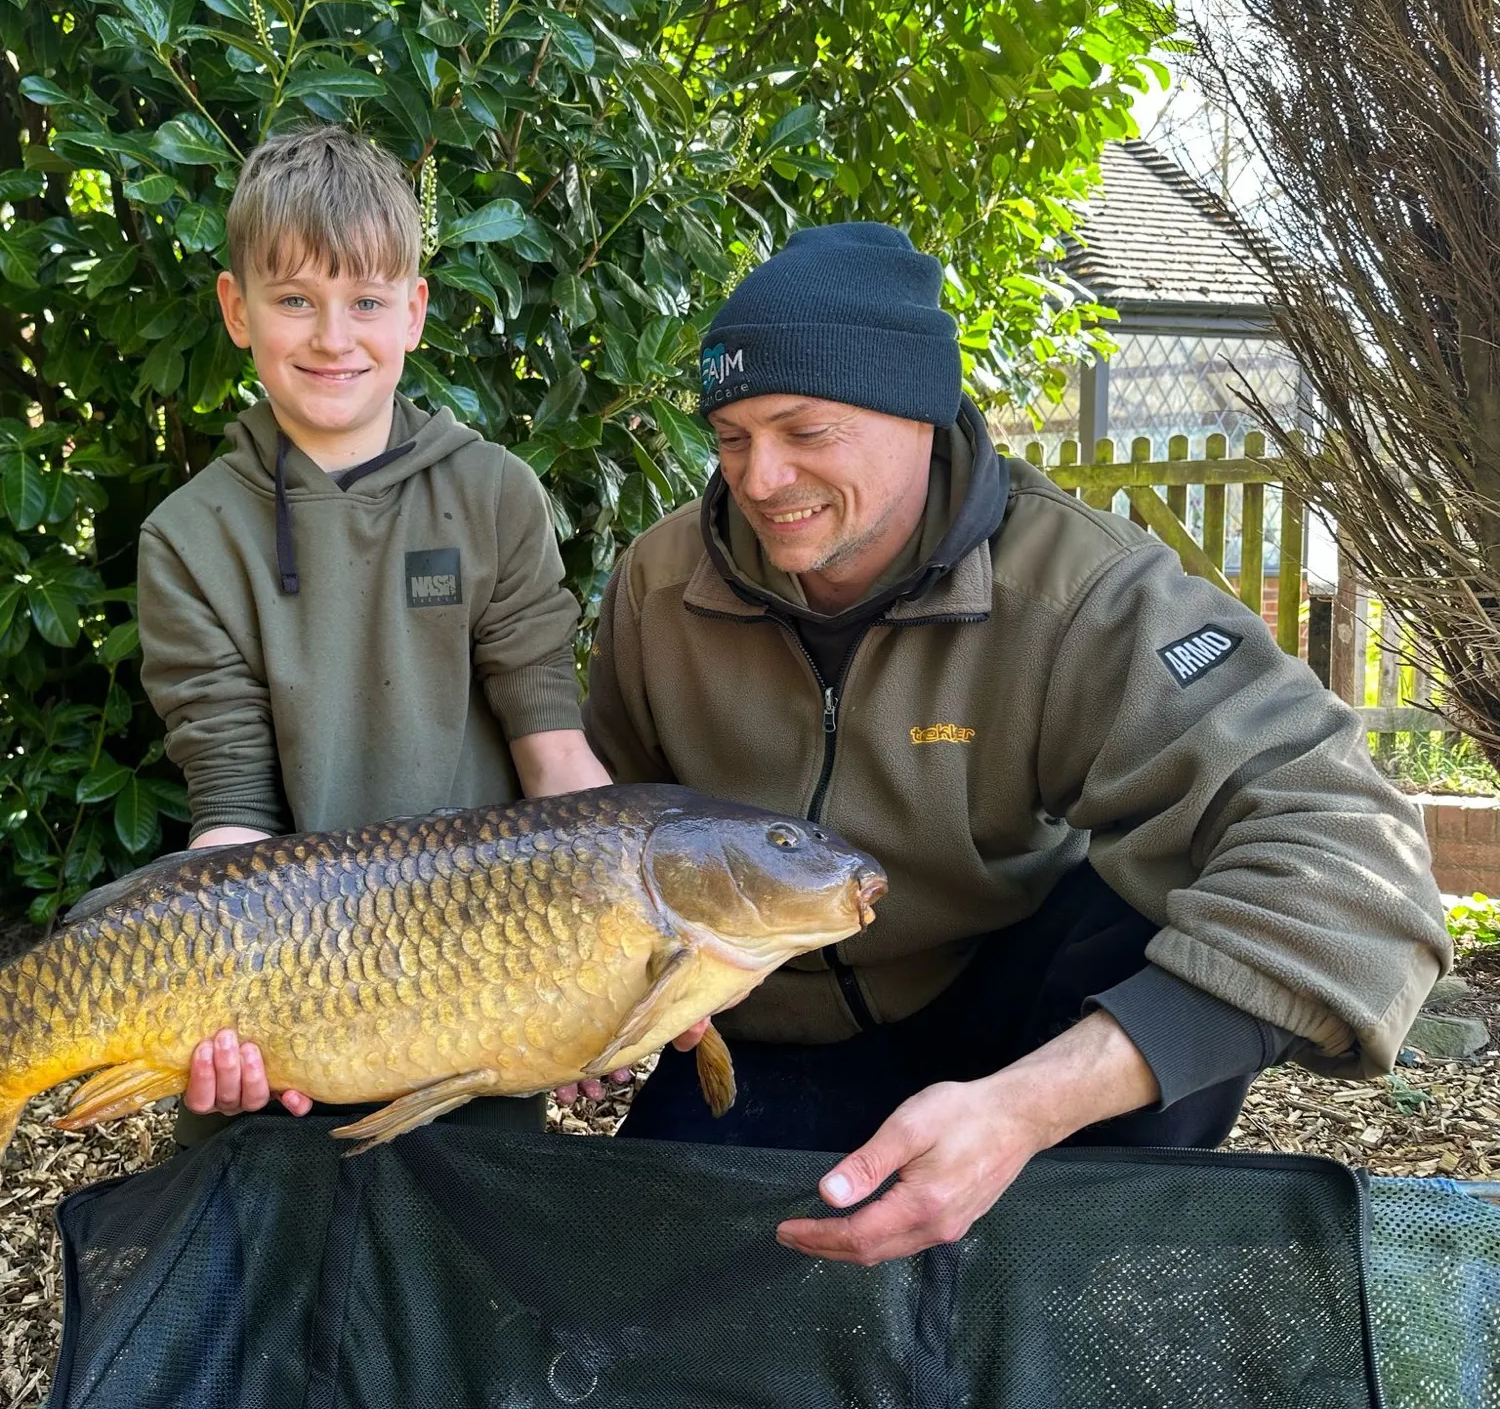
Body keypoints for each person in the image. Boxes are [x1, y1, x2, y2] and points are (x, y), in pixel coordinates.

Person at [583, 221, 1451, 1265]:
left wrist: (1033, 1104)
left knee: (1157, 903)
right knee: (649, 1307)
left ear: (917, 411)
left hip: (1004, 1029)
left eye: (803, 430)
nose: (759, 480)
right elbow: (592, 827)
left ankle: (1074, 1242)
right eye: (730, 437)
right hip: (753, 1033)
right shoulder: (659, 580)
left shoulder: (1082, 590)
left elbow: (1359, 858)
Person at [137, 125, 612, 1138]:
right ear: (237, 310)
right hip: (283, 1007)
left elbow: (557, 760)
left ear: (416, 312)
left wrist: (603, 978)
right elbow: (230, 812)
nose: (332, 337)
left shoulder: (496, 497)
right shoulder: (186, 539)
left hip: (483, 991)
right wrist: (220, 1015)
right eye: (294, 300)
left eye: (365, 301)